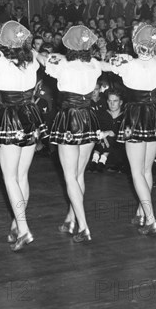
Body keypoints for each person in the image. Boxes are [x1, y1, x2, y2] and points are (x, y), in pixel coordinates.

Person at [0, 21, 48, 250]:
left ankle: (24, 228)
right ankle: (16, 225)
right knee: (21, 176)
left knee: (9, 177)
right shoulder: (32, 59)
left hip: (10, 115)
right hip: (30, 113)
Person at [101, 24, 156, 235]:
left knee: (137, 171)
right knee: (146, 169)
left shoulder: (128, 64)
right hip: (154, 113)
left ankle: (150, 218)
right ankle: (142, 212)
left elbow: (104, 66)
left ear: (136, 44)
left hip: (135, 115)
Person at [37, 26, 101, 242]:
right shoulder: (93, 64)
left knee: (70, 176)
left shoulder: (62, 64)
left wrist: (33, 51)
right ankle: (71, 219)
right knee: (79, 174)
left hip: (69, 119)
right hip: (88, 117)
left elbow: (43, 60)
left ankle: (83, 226)